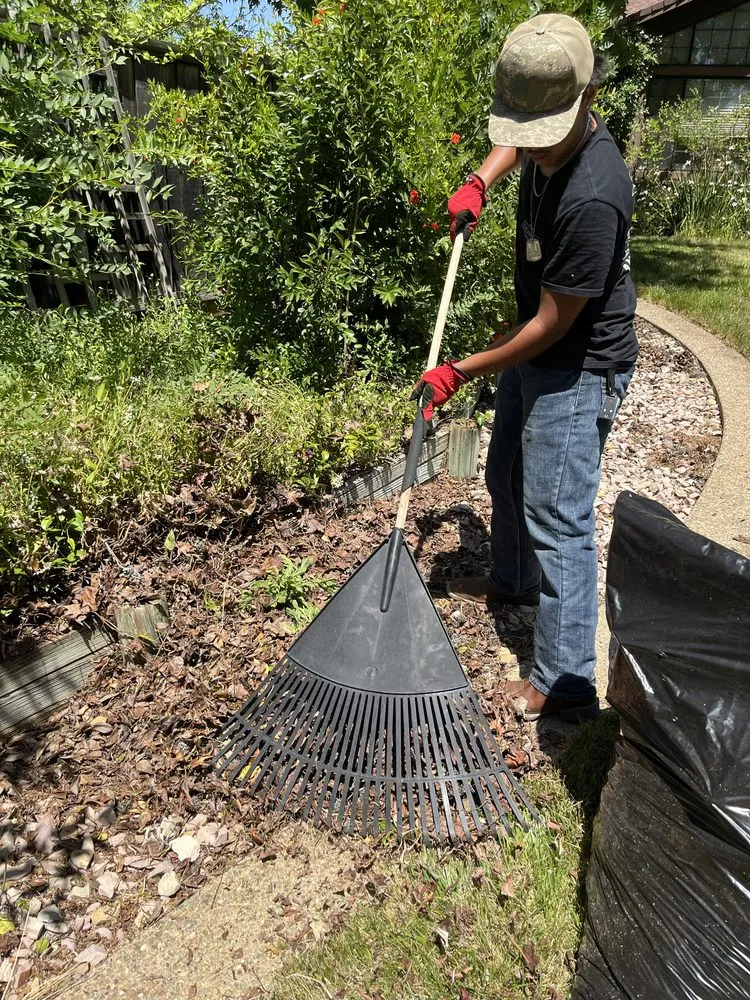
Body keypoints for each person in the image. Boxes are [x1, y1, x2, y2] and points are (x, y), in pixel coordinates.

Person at [417, 12, 638, 723]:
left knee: (559, 519)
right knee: (503, 469)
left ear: (582, 104)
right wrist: (480, 179)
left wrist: (461, 369)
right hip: (538, 346)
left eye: (544, 139)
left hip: (577, 366)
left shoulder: (595, 194)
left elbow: (551, 324)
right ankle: (512, 581)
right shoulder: (542, 131)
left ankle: (566, 685)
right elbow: (515, 139)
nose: (531, 150)